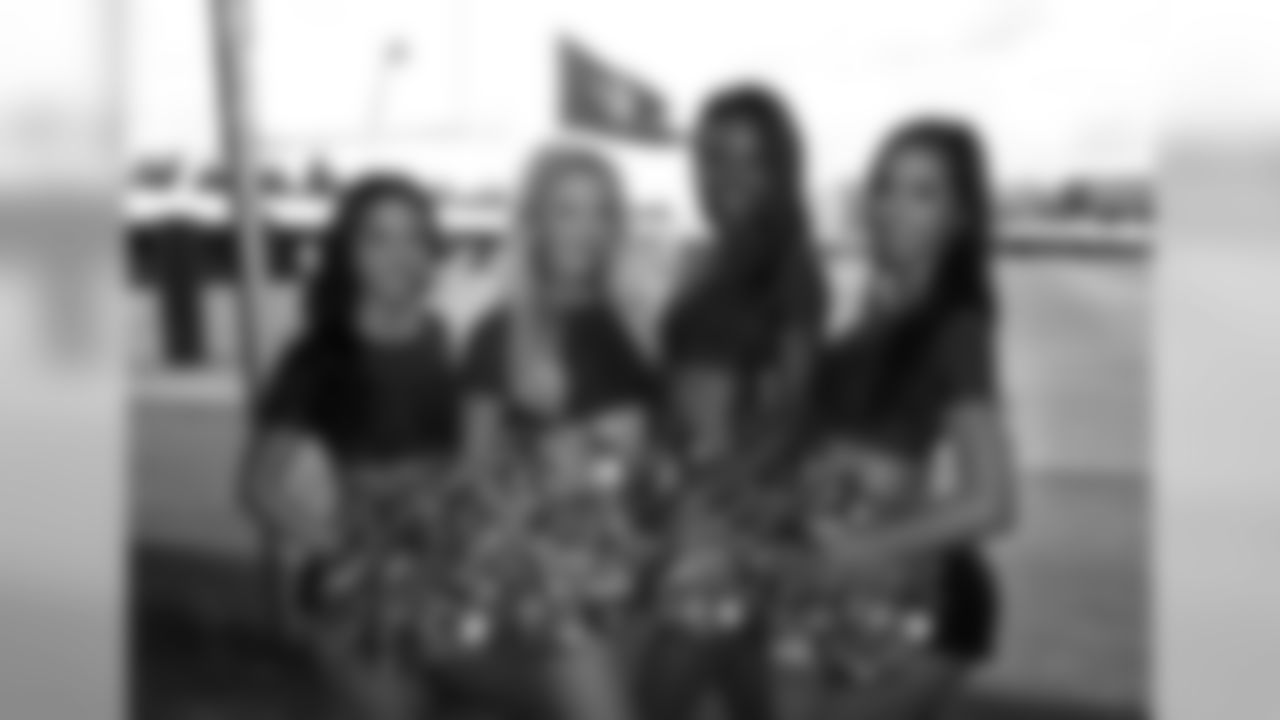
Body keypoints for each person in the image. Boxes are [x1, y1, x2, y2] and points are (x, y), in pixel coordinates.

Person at [804, 116, 1018, 719]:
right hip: (868, 591)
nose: (894, 208)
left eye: (924, 193)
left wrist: (858, 547)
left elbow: (993, 502)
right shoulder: (885, 309)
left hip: (924, 600)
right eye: (886, 186)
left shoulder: (956, 326)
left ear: (960, 217)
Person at [237, 174, 460, 720]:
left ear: (431, 250)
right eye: (377, 238)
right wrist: (346, 550)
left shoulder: (437, 334)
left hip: (434, 578)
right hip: (358, 591)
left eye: (413, 237)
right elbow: (259, 487)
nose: (399, 255)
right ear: (348, 253)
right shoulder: (323, 354)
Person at [636, 83, 827, 720]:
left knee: (663, 689)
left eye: (752, 159)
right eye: (715, 156)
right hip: (695, 497)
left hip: (733, 512)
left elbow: (796, 411)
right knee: (743, 683)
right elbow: (675, 384)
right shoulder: (710, 257)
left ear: (780, 169)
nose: (730, 176)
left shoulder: (790, 266)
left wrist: (716, 501)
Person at [458, 143, 657, 720]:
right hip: (559, 571)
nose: (585, 230)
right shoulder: (500, 331)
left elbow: (642, 450)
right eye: (565, 210)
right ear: (534, 223)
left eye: (600, 211)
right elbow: (475, 473)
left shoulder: (634, 321)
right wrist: (538, 509)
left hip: (635, 557)